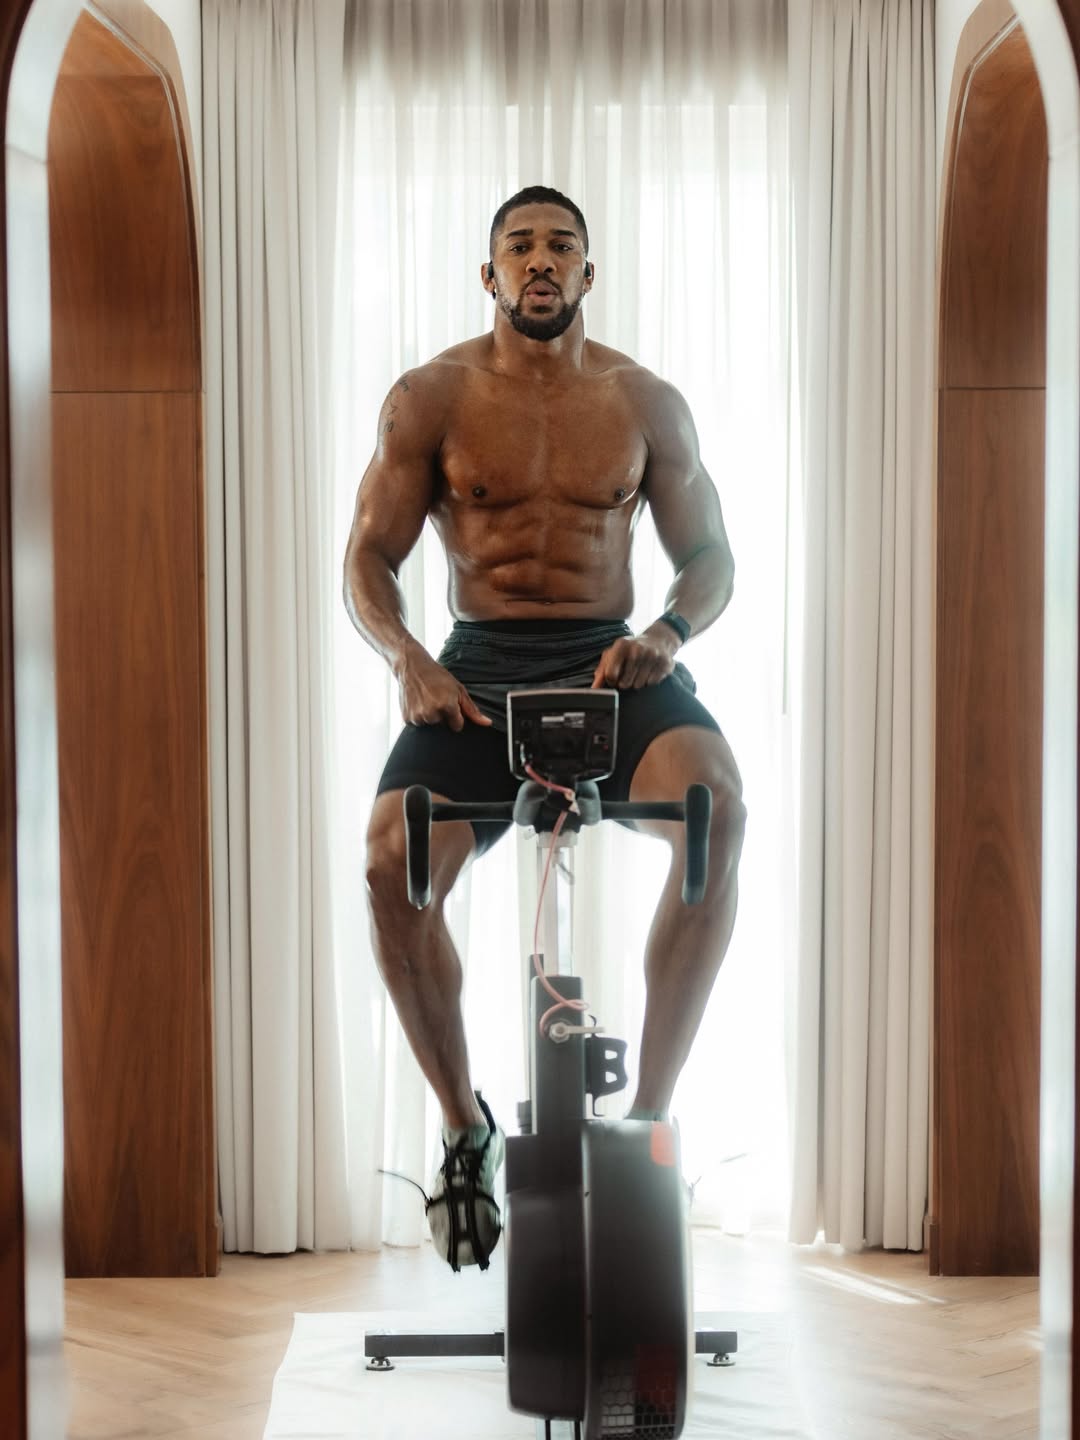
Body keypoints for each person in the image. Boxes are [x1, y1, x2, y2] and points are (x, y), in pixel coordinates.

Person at [342, 185, 746, 1271]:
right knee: (392, 863)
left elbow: (712, 559)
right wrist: (408, 658)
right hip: (475, 674)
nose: (539, 261)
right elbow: (367, 562)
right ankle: (462, 1129)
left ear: (586, 272)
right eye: (518, 246)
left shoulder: (645, 401)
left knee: (717, 803)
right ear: (488, 275)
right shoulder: (428, 398)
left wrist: (667, 629)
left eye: (560, 246)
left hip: (616, 662)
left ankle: (643, 1132)